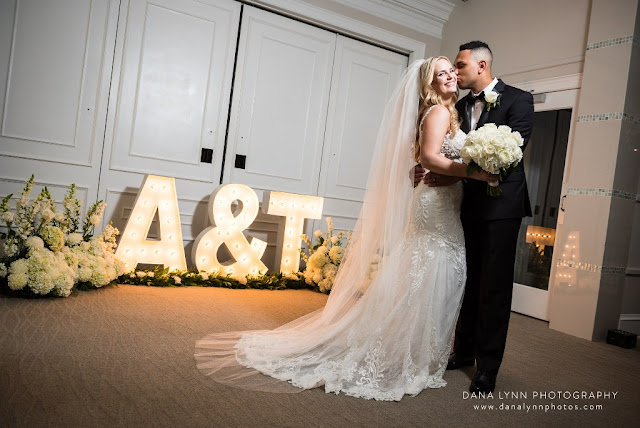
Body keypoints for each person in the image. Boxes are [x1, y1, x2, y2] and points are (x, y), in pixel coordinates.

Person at [195, 57, 494, 401]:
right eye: (442, 74)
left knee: (430, 271)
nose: (450, 77)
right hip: (436, 208)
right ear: (429, 84)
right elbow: (429, 158)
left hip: (442, 201)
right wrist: (474, 173)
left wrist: (456, 170)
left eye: (451, 72)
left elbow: (427, 159)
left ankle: (414, 348)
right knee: (432, 268)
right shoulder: (439, 113)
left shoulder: (444, 113)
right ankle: (408, 353)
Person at [415, 41, 534, 394]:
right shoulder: (458, 105)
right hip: (463, 205)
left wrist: (453, 172)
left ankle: (487, 367)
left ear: (481, 65)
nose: (455, 71)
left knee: (493, 287)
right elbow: (438, 147)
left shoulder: (519, 99)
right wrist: (422, 168)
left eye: (460, 65)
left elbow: (512, 154)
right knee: (466, 280)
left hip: (502, 208)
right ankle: (463, 350)